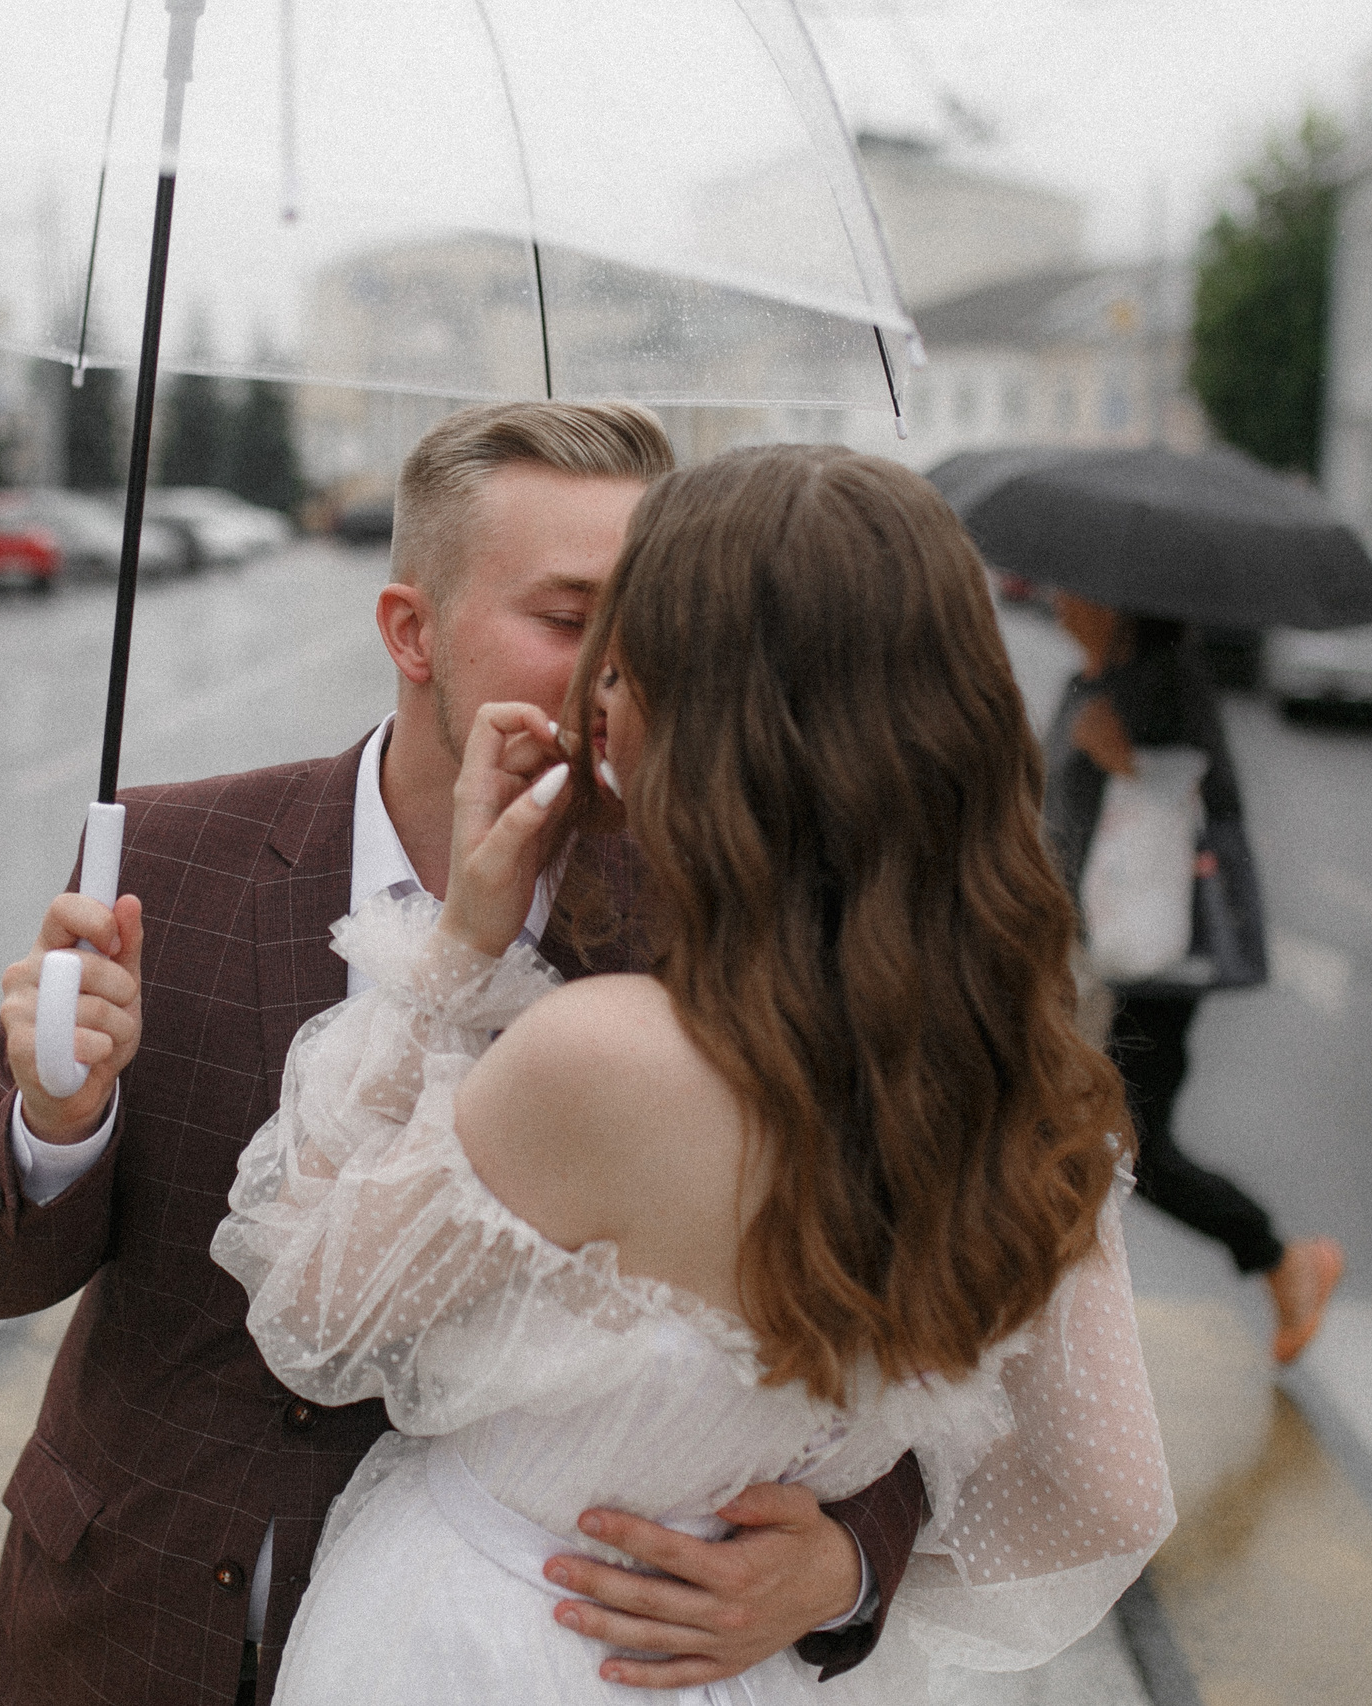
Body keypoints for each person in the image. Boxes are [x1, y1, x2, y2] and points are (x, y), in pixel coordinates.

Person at [0, 403, 928, 1706]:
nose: (625, 675)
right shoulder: (169, 862)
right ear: (411, 629)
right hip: (123, 1630)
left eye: (658, 625)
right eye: (572, 621)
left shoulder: (715, 924)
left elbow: (904, 1315)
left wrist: (843, 1563)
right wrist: (58, 1118)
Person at [214, 445, 1175, 1702]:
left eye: (623, 656)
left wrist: (454, 956)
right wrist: (839, 1576)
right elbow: (1108, 1491)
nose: (596, 693)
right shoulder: (1029, 1093)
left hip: (485, 1645)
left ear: (702, 711)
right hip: (737, 1667)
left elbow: (309, 1310)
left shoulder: (603, 1061)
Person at [1042, 593, 1345, 1364]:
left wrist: (1131, 765)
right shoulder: (1086, 684)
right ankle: (1050, 1325)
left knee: (1133, 1147)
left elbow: (1220, 807)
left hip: (1153, 965)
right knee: (1077, 1140)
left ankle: (1282, 1259)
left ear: (1116, 606)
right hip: (1087, 958)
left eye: (1077, 586)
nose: (1059, 595)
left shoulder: (1169, 683)